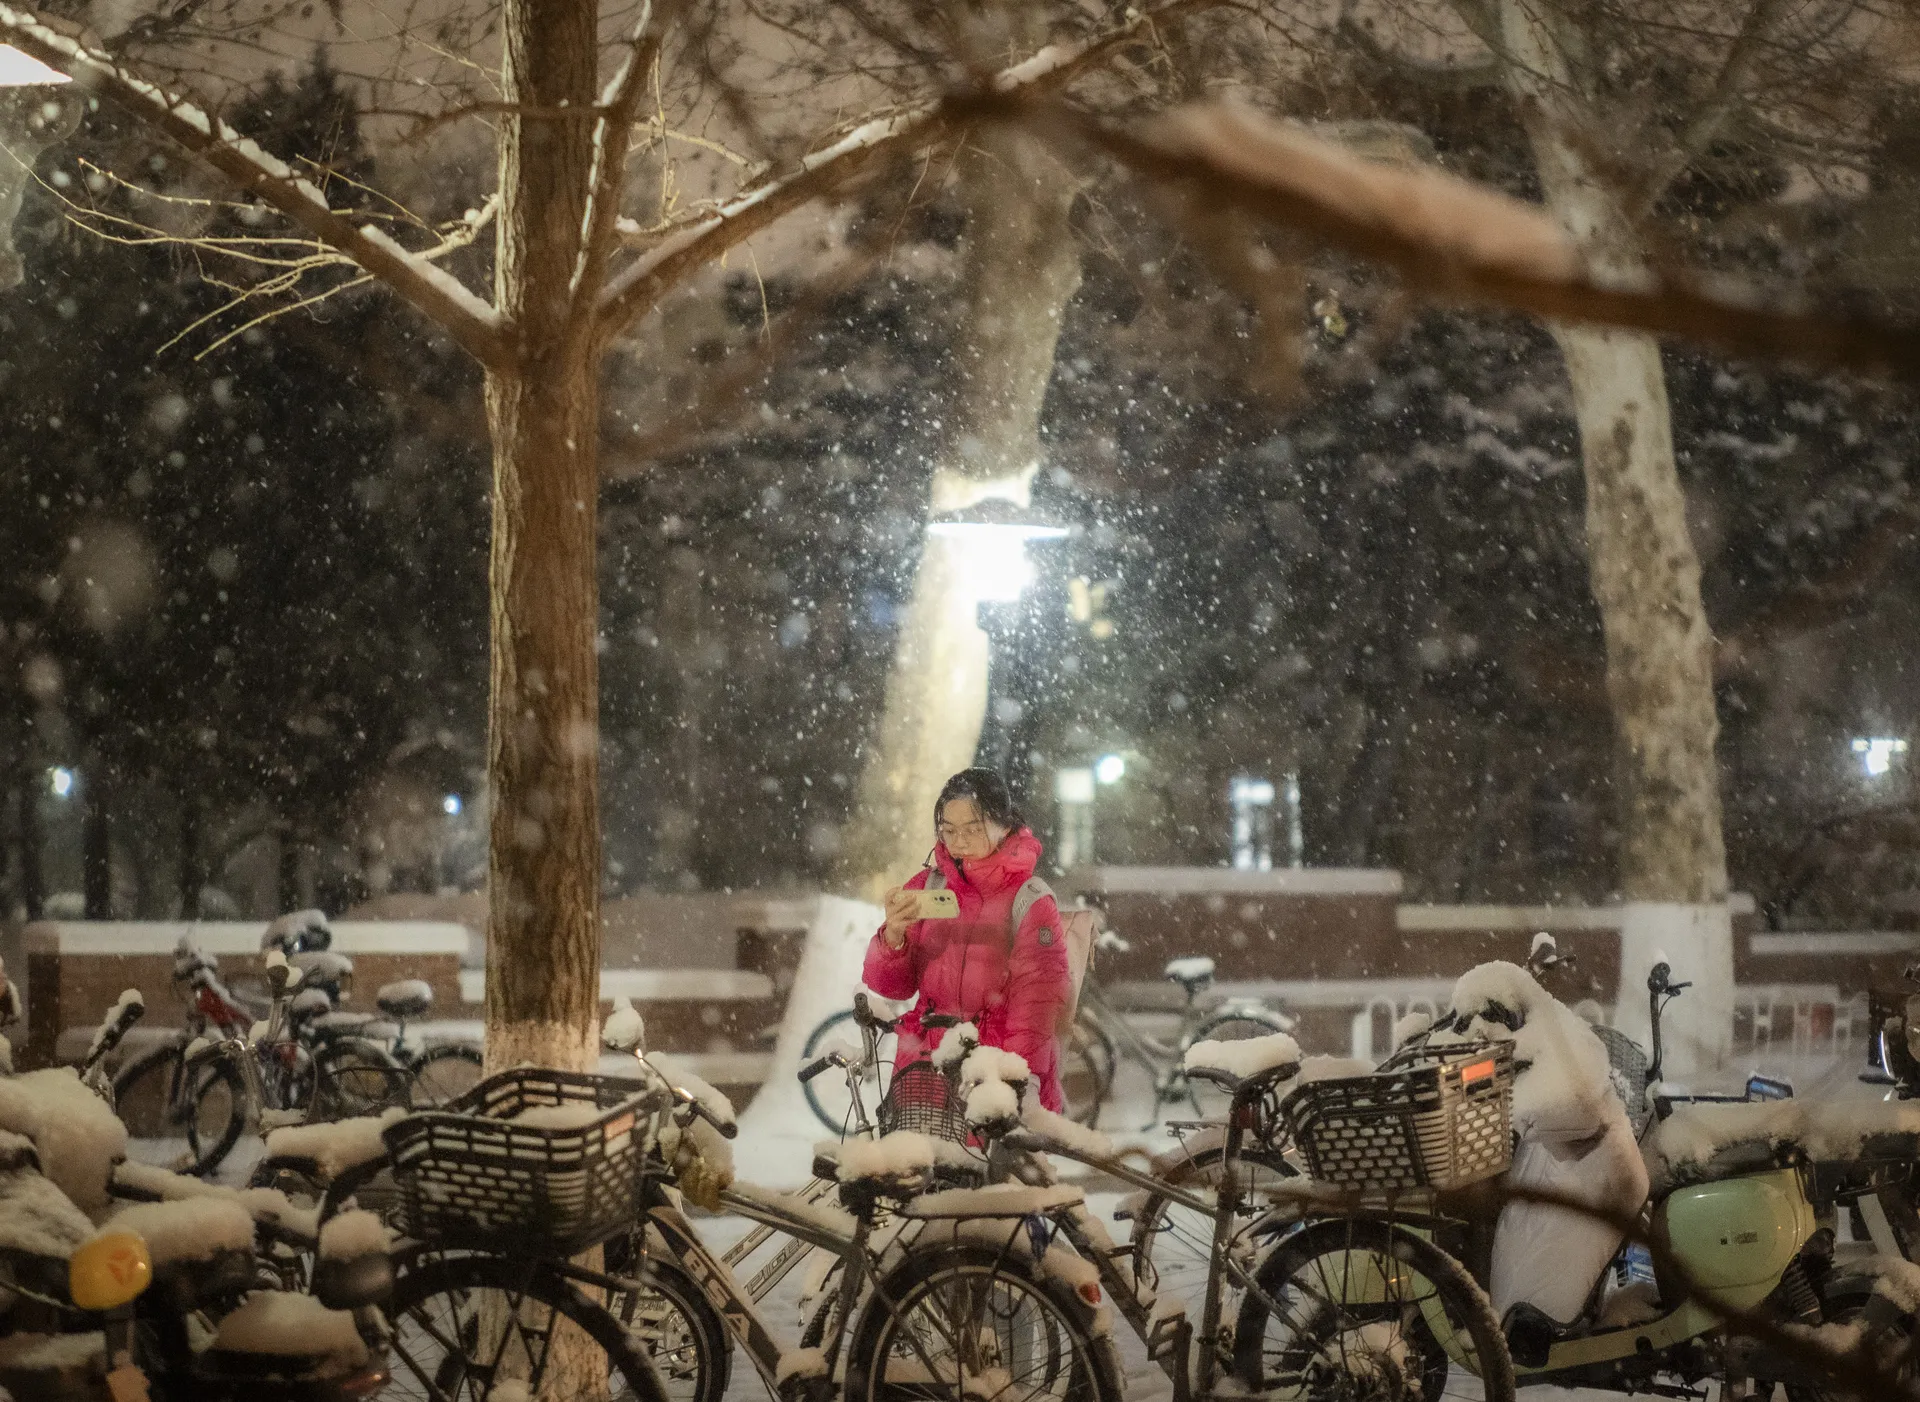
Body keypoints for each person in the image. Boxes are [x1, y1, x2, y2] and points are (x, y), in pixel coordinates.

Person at [863, 768, 1072, 1111]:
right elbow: (892, 988)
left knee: (979, 1149)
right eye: (949, 830)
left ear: (1003, 825)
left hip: (993, 1071)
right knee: (919, 1148)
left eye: (972, 829)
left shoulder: (1029, 899)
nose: (958, 841)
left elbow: (1037, 1004)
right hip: (925, 1069)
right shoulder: (930, 885)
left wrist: (1018, 1080)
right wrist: (894, 937)